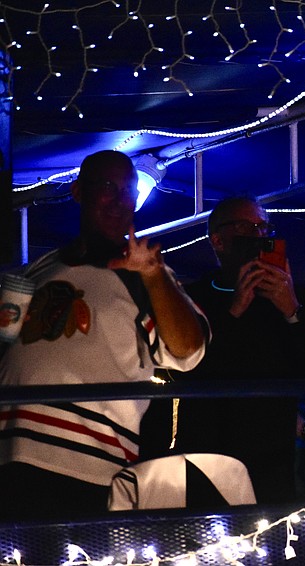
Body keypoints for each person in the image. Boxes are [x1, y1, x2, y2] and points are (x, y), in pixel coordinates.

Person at [0, 150, 209, 519]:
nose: (119, 200)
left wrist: (153, 275)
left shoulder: (145, 273)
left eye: (128, 190)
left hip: (85, 463)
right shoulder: (43, 266)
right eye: (107, 187)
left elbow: (189, 351)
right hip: (10, 452)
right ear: (79, 192)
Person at [165, 196, 305, 505]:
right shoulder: (191, 298)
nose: (259, 236)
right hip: (207, 451)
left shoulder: (293, 297)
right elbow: (185, 370)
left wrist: (292, 312)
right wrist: (234, 312)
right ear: (218, 240)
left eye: (264, 227)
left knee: (271, 544)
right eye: (247, 227)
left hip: (272, 457)